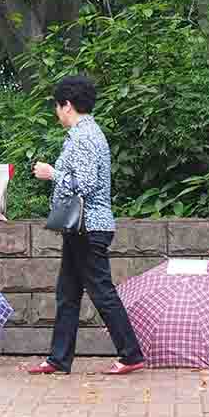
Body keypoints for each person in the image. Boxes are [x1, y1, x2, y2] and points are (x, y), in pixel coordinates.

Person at [26, 73, 146, 376]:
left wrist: (51, 173)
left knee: (102, 291)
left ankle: (131, 354)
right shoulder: (88, 133)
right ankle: (59, 358)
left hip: (88, 226)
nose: (56, 112)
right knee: (67, 293)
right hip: (81, 227)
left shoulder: (84, 136)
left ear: (67, 105)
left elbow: (86, 184)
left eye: (57, 106)